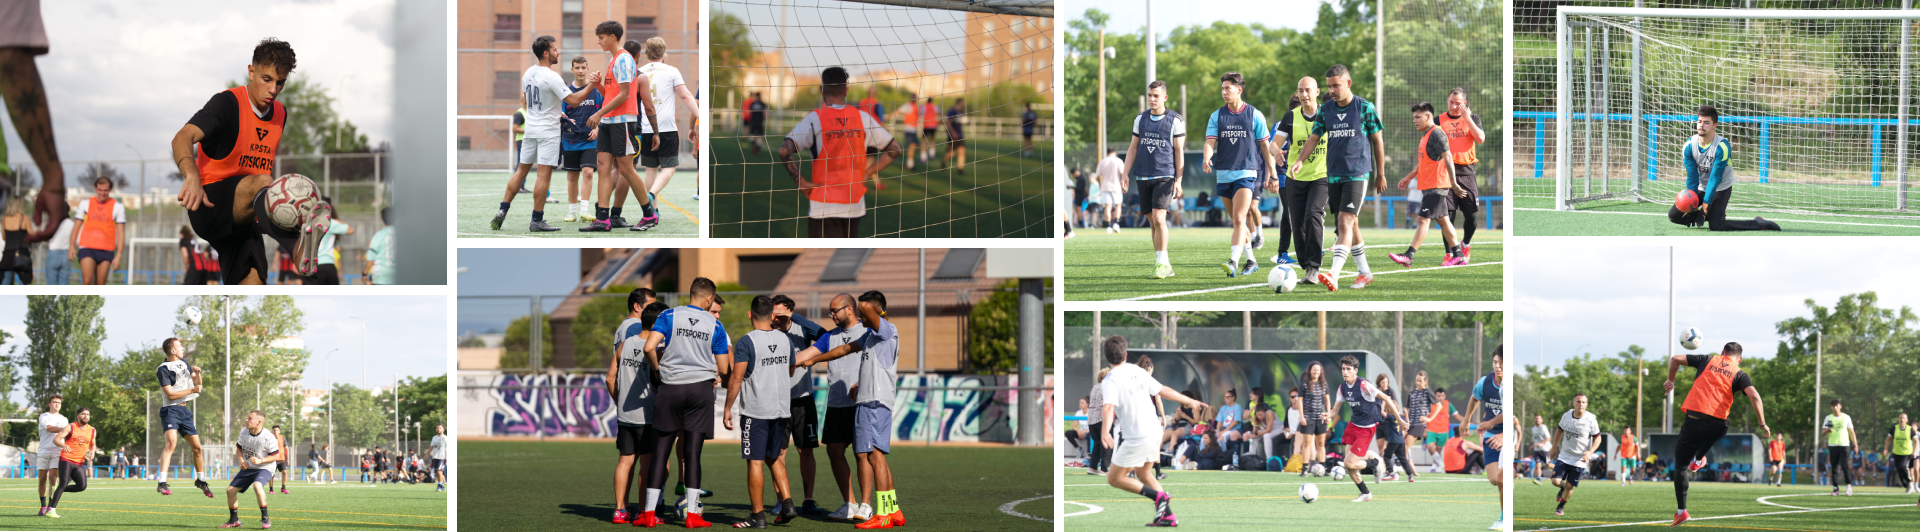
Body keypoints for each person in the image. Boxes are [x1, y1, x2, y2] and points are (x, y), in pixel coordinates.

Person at [173, 38, 331, 285]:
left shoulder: (280, 113)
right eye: (266, 79)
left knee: (254, 282)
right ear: (251, 71)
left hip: (246, 215)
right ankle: (295, 245)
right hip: (209, 203)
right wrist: (191, 176)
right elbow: (182, 137)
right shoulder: (227, 103)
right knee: (264, 182)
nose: (273, 89)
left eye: (280, 83)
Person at [794, 291, 906, 529]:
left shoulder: (885, 329)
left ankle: (882, 513)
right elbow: (844, 350)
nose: (863, 321)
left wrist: (877, 313)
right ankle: (892, 510)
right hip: (868, 401)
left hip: (873, 401)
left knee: (873, 457)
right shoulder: (871, 338)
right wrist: (815, 359)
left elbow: (864, 305)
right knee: (875, 456)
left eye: (866, 316)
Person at [633, 278, 728, 527]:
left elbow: (649, 347)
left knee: (660, 452)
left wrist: (657, 371)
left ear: (691, 294)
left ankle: (649, 515)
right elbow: (724, 367)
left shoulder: (668, 315)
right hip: (701, 391)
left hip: (671, 387)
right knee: (692, 454)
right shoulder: (715, 324)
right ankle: (693, 516)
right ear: (709, 299)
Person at [1289, 64, 1386, 291]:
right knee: (1351, 225)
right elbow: (1314, 138)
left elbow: (1378, 141)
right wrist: (1301, 160)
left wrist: (1380, 173)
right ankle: (1364, 273)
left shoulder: (1365, 108)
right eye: (1329, 86)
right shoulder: (1326, 110)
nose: (1332, 90)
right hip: (1333, 175)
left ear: (1348, 84)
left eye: (1336, 86)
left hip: (1357, 174)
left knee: (1344, 222)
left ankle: (1333, 274)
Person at [1093, 335, 1205, 527]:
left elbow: (1108, 407)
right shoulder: (1138, 370)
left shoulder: (1109, 380)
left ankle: (1159, 496)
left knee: (1113, 478)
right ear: (1125, 355)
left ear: (1106, 357)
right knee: (1144, 473)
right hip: (1155, 431)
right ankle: (1168, 516)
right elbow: (1163, 390)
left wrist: (1105, 432)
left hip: (1138, 436)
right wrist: (1189, 400)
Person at [776, 67, 900, 238]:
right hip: (854, 204)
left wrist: (801, 182)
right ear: (846, 90)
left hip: (823, 205)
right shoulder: (862, 117)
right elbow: (895, 149)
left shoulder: (814, 118)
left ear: (821, 90)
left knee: (821, 261)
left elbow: (784, 151)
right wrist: (868, 173)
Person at [1665, 341, 1772, 526]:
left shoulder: (1706, 359)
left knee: (1681, 467)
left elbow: (1675, 359)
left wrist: (1671, 381)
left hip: (1694, 422)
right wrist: (1762, 423)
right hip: (1719, 427)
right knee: (1711, 433)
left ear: (1722, 352)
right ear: (1740, 359)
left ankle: (1681, 511)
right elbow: (1755, 396)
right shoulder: (1739, 373)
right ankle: (1698, 460)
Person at [723, 295, 805, 528]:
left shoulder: (746, 341)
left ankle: (757, 516)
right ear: (772, 316)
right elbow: (790, 369)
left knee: (755, 462)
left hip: (756, 412)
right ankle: (788, 504)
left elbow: (737, 378)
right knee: (774, 457)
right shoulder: (784, 338)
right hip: (781, 410)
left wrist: (727, 408)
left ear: (750, 314)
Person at [573, 21, 660, 232]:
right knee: (602, 168)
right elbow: (611, 94)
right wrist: (597, 84)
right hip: (608, 122)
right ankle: (603, 219)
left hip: (622, 123)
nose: (598, 41)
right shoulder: (613, 60)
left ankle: (649, 215)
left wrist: (598, 113)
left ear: (613, 36)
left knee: (626, 170)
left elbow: (624, 95)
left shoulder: (623, 59)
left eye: (601, 37)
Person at [490, 35, 572, 232]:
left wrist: (552, 109)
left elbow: (528, 100)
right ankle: (537, 220)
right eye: (555, 49)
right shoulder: (552, 76)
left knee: (520, 171)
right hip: (548, 132)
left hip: (531, 129)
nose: (558, 52)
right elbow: (574, 100)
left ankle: (502, 211)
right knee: (543, 176)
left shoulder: (527, 73)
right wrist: (593, 85)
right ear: (546, 53)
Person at [1202, 72, 1274, 280]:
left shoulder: (1254, 115)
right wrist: (1207, 158)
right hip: (1223, 175)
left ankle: (1233, 261)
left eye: (1228, 88)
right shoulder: (1217, 116)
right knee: (1237, 222)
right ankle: (1251, 261)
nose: (1224, 92)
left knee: (1239, 217)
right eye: (1222, 88)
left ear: (1239, 90)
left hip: (1246, 174)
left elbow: (1265, 146)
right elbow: (1210, 142)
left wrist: (1273, 174)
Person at [1667, 104, 1779, 231]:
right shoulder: (1688, 146)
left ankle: (1759, 223)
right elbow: (1692, 178)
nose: (1701, 125)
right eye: (1699, 121)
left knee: (1716, 226)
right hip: (1700, 187)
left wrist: (1704, 207)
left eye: (1706, 122)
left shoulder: (1722, 147)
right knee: (1674, 216)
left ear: (1715, 125)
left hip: (1720, 187)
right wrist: (1692, 204)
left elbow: (1715, 179)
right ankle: (1714, 214)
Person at [768, 294, 829, 516]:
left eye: (781, 313)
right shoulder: (768, 331)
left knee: (806, 450)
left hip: (803, 400)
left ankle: (809, 499)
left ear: (790, 311)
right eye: (773, 313)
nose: (776, 317)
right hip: (777, 401)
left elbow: (824, 335)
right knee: (779, 452)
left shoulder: (802, 329)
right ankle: (782, 500)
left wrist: (795, 317)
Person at [1388, 101, 1465, 269]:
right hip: (1430, 185)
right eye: (1413, 117)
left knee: (1423, 220)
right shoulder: (1426, 135)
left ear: (1428, 116)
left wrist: (1454, 183)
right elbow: (1424, 162)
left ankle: (1408, 255)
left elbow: (1449, 157)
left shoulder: (1437, 134)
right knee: (1444, 221)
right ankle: (1458, 255)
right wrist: (1409, 177)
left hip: (1436, 185)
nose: (1414, 121)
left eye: (1417, 117)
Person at [604, 288, 656, 524]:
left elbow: (609, 378)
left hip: (625, 413)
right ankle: (643, 511)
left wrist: (620, 401)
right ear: (639, 307)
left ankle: (619, 510)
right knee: (646, 463)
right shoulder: (650, 344)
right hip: (646, 414)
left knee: (625, 460)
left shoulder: (624, 341)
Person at [1125, 81, 1186, 278]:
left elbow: (1178, 151)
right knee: (1152, 222)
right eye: (1150, 95)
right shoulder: (1140, 119)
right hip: (1142, 175)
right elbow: (1133, 148)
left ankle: (1162, 263)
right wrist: (1124, 173)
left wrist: (1178, 180)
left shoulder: (1175, 120)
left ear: (1165, 98)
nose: (1152, 99)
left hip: (1165, 175)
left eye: (1156, 96)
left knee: (1160, 218)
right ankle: (1163, 263)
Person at [1325, 355, 1407, 501]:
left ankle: (1374, 463)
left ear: (1355, 370)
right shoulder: (1342, 387)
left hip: (1366, 429)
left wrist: (1400, 420)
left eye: (1349, 369)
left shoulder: (1363, 385)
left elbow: (1387, 398)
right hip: (1353, 426)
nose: (1345, 372)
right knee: (1349, 465)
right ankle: (1365, 493)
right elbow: (1334, 410)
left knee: (1349, 463)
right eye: (1343, 369)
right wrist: (1327, 415)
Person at [633, 37, 698, 216]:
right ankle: (652, 195)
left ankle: (652, 210)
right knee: (669, 167)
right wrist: (700, 115)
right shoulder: (672, 71)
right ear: (664, 52)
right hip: (666, 128)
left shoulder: (638, 71)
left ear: (646, 53)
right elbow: (685, 96)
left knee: (650, 169)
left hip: (645, 128)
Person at [1271, 77, 1328, 278]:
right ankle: (1306, 266)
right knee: (1297, 223)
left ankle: (1314, 266)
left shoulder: (1328, 113)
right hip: (1294, 177)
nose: (1304, 95)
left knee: (1313, 214)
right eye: (1300, 91)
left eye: (1308, 90)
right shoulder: (1290, 117)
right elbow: (1273, 144)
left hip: (1321, 176)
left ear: (1317, 92)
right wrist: (1277, 152)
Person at [155, 337, 213, 497]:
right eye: (180, 346)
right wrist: (192, 390)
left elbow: (197, 385)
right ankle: (162, 482)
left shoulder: (184, 364)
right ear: (172, 351)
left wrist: (198, 375)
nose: (183, 348)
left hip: (184, 412)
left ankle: (201, 480)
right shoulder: (163, 369)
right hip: (171, 410)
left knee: (197, 448)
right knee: (171, 444)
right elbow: (170, 395)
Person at [1436, 88, 1484, 261]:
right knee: (1447, 216)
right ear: (1447, 100)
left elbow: (1480, 138)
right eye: (1451, 102)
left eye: (1458, 103)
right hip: (1445, 173)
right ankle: (1449, 254)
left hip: (1467, 173)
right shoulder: (1438, 120)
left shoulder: (1473, 119)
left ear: (1465, 104)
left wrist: (1467, 118)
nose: (1455, 106)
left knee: (1471, 217)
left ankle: (1466, 244)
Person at [1463, 344, 1505, 530]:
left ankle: (1503, 519)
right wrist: (1466, 420)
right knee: (1494, 479)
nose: (1498, 366)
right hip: (1491, 436)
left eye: (1502, 363)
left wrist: (1501, 431)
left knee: (1502, 479)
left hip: (1507, 435)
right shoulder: (1485, 381)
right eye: (1495, 362)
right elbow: (1474, 397)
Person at [219, 411, 282, 529]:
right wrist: (241, 461)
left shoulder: (268, 437)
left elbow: (276, 456)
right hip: (249, 467)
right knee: (230, 491)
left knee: (257, 486)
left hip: (265, 467)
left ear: (259, 422)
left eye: (250, 418)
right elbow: (238, 449)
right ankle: (234, 520)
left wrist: (260, 461)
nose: (246, 420)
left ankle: (265, 518)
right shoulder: (244, 431)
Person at [559, 55, 601, 223]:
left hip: (590, 140)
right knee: (571, 176)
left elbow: (604, 112)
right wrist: (566, 120)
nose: (580, 70)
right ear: (572, 70)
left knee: (588, 173)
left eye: (583, 67)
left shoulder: (596, 91)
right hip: (570, 140)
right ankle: (572, 212)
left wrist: (598, 128)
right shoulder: (566, 92)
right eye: (577, 67)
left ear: (587, 69)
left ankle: (584, 210)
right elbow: (561, 115)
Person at [1548, 394, 1600, 516]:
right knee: (1555, 481)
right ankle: (1562, 488)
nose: (1580, 404)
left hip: (1580, 460)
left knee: (1570, 486)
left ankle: (1560, 507)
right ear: (1573, 403)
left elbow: (1598, 438)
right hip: (1565, 455)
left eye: (1583, 402)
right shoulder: (1566, 416)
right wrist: (1553, 447)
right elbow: (1559, 430)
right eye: (1578, 402)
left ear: (1586, 404)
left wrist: (1590, 452)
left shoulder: (1591, 419)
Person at [71, 177, 125, 284]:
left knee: (100, 284)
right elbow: (76, 226)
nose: (102, 193)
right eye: (100, 190)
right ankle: (83, 301)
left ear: (110, 190)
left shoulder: (118, 206)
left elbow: (121, 233)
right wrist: (71, 246)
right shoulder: (85, 203)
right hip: (87, 248)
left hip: (107, 250)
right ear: (95, 189)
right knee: (87, 281)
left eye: (105, 190)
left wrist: (118, 255)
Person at [44, 406, 95, 518]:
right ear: (78, 416)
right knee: (64, 482)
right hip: (66, 459)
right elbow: (56, 439)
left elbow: (93, 444)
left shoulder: (92, 430)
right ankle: (51, 510)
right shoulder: (70, 427)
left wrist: (92, 452)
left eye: (87, 414)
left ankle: (58, 489)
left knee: (82, 486)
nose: (85, 416)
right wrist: (63, 445)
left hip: (79, 462)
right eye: (83, 414)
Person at [1374, 375, 1415, 482]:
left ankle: (1390, 473)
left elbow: (1382, 413)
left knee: (1386, 456)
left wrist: (1383, 402)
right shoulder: (1400, 417)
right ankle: (1410, 475)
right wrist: (1406, 414)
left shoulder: (1391, 417)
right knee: (1403, 458)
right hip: (1401, 441)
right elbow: (1407, 423)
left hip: (1393, 441)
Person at [35, 395, 68, 516]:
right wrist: (64, 429)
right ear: (50, 404)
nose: (57, 404)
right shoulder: (44, 416)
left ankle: (50, 507)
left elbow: (67, 435)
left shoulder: (64, 419)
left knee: (53, 479)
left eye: (59, 402)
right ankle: (42, 506)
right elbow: (49, 428)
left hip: (57, 451)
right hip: (43, 450)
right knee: (42, 479)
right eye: (54, 402)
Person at [1297, 361, 1332, 477]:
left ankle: (1323, 468)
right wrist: (1302, 416)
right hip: (1308, 418)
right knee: (1307, 443)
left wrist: (1328, 414)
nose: (1316, 372)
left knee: (1321, 443)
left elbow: (1327, 400)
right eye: (1314, 370)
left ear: (1321, 371)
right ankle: (1304, 469)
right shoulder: (1304, 384)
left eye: (1318, 370)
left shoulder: (1324, 383)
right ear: (1310, 371)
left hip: (1320, 418)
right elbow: (1299, 401)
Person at [310, 198, 351, 283]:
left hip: (311, 266)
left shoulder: (309, 223)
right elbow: (351, 230)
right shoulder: (330, 223)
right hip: (327, 263)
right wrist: (336, 220)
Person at [1821, 399, 1857, 496]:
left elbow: (1851, 432)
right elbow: (1823, 432)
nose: (1835, 407)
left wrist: (1856, 445)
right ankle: (1835, 488)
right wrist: (1827, 430)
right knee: (1834, 467)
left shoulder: (1846, 417)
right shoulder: (1828, 418)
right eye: (1833, 406)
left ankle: (1849, 486)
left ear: (1840, 406)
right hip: (1833, 445)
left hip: (1844, 445)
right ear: (1831, 407)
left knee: (1845, 465)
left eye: (1837, 405)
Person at [1425, 388, 1460, 473]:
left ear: (1445, 396)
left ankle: (1434, 467)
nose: (1440, 397)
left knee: (1438, 449)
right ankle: (1440, 463)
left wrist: (1467, 421)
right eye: (1438, 396)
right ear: (1435, 396)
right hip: (1431, 430)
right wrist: (1424, 428)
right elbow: (1425, 416)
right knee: (1430, 447)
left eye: (1442, 396)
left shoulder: (1449, 405)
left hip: (1443, 431)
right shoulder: (1431, 405)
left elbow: (1457, 416)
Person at [0, 194, 31, 285]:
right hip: (21, 253)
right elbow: (31, 235)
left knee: (5, 279)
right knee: (23, 279)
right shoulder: (24, 218)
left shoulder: (4, 219)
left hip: (8, 254)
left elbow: (4, 237)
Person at [1094, 149, 1126, 234]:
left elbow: (1097, 176)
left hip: (1105, 187)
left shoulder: (1102, 162)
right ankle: (1116, 224)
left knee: (1108, 206)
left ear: (1107, 153)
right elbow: (1123, 174)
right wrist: (1124, 185)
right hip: (1116, 187)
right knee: (1118, 205)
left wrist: (1100, 185)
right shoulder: (1118, 161)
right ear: (1114, 152)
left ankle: (1108, 226)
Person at [1087, 368, 1112, 476]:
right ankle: (1104, 468)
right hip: (1101, 418)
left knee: (1097, 443)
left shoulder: (1095, 388)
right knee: (1107, 443)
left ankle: (1092, 467)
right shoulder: (1107, 387)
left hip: (1092, 420)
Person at [362, 208, 393, 285]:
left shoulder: (379, 235)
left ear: (383, 219)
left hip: (380, 274)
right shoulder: (403, 234)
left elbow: (371, 258)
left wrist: (365, 274)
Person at [1212, 389, 1243, 464]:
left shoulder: (1237, 407)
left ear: (1233, 397)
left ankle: (1224, 459)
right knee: (1207, 437)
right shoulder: (1223, 408)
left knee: (1221, 439)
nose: (1225, 399)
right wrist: (1218, 431)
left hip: (1232, 430)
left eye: (1227, 397)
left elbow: (1235, 422)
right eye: (1224, 397)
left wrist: (1223, 432)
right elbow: (1219, 421)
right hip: (1222, 429)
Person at [429, 425, 447, 491]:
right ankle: (442, 486)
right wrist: (427, 453)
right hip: (435, 457)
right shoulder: (434, 437)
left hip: (442, 457)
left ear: (443, 430)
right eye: (437, 428)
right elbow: (431, 446)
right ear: (436, 430)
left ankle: (439, 485)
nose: (438, 429)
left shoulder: (445, 438)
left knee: (439, 471)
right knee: (437, 472)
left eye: (440, 428)